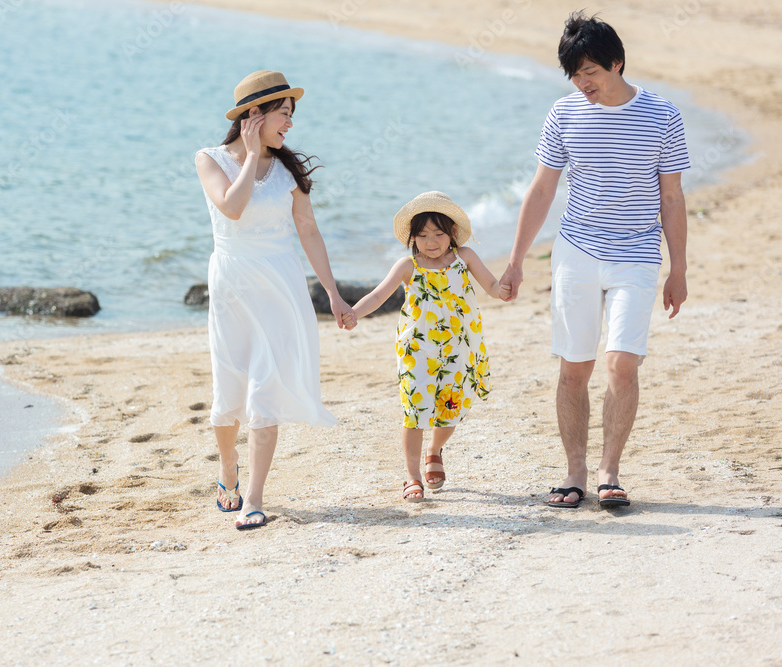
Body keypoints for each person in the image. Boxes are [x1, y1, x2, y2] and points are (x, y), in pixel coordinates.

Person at [499, 12, 690, 509]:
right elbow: (542, 189)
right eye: (574, 74)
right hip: (576, 252)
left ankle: (610, 470)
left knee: (622, 364)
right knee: (574, 368)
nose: (582, 83)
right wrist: (516, 260)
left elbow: (672, 197)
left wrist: (679, 269)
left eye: (590, 72)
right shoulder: (563, 114)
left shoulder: (662, 115)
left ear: (617, 63)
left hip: (637, 254)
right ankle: (575, 471)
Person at [195, 70, 354, 529]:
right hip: (232, 284)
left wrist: (332, 292)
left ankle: (255, 497)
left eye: (290, 115)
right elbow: (231, 207)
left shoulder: (289, 171)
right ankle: (228, 467)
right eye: (283, 114)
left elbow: (308, 229)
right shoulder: (209, 159)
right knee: (229, 387)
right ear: (253, 115)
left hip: (280, 286)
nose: (289, 123)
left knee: (265, 387)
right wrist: (250, 156)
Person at [344, 192, 502, 502]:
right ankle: (412, 476)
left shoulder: (465, 258)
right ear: (412, 238)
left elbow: (492, 286)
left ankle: (434, 449)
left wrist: (505, 289)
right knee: (414, 412)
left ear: (452, 233)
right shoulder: (408, 265)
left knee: (450, 409)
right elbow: (378, 296)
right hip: (416, 349)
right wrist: (354, 313)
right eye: (423, 235)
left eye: (438, 234)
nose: (431, 241)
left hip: (459, 347)